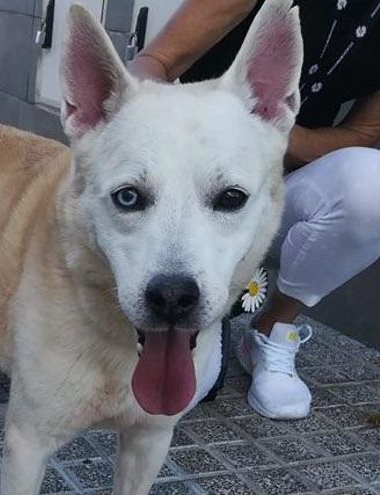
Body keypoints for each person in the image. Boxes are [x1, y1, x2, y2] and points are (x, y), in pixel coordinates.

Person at [130, 0, 380, 420]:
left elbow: (362, 135)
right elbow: (150, 65)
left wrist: (260, 129)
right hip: (180, 178)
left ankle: (270, 329)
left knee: (372, 188)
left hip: (279, 190)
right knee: (173, 401)